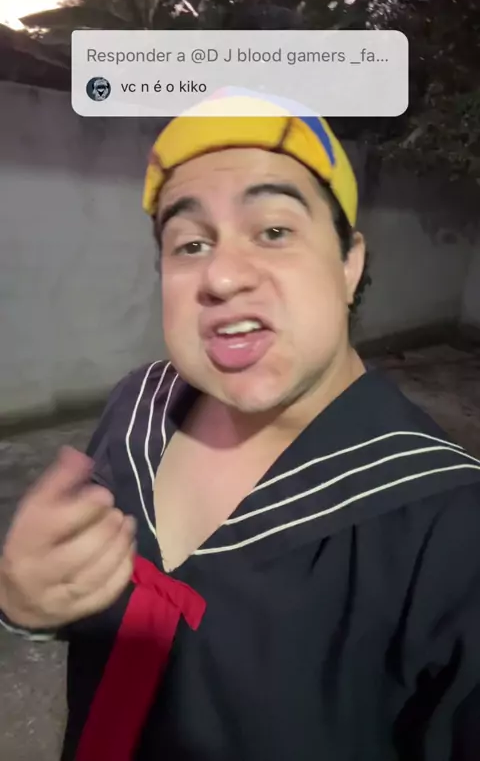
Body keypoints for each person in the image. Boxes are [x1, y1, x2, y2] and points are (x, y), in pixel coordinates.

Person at [1, 90, 480, 761]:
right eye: (190, 244)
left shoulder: (449, 532)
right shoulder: (135, 411)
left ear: (349, 263)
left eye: (274, 231)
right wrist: (26, 608)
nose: (222, 276)